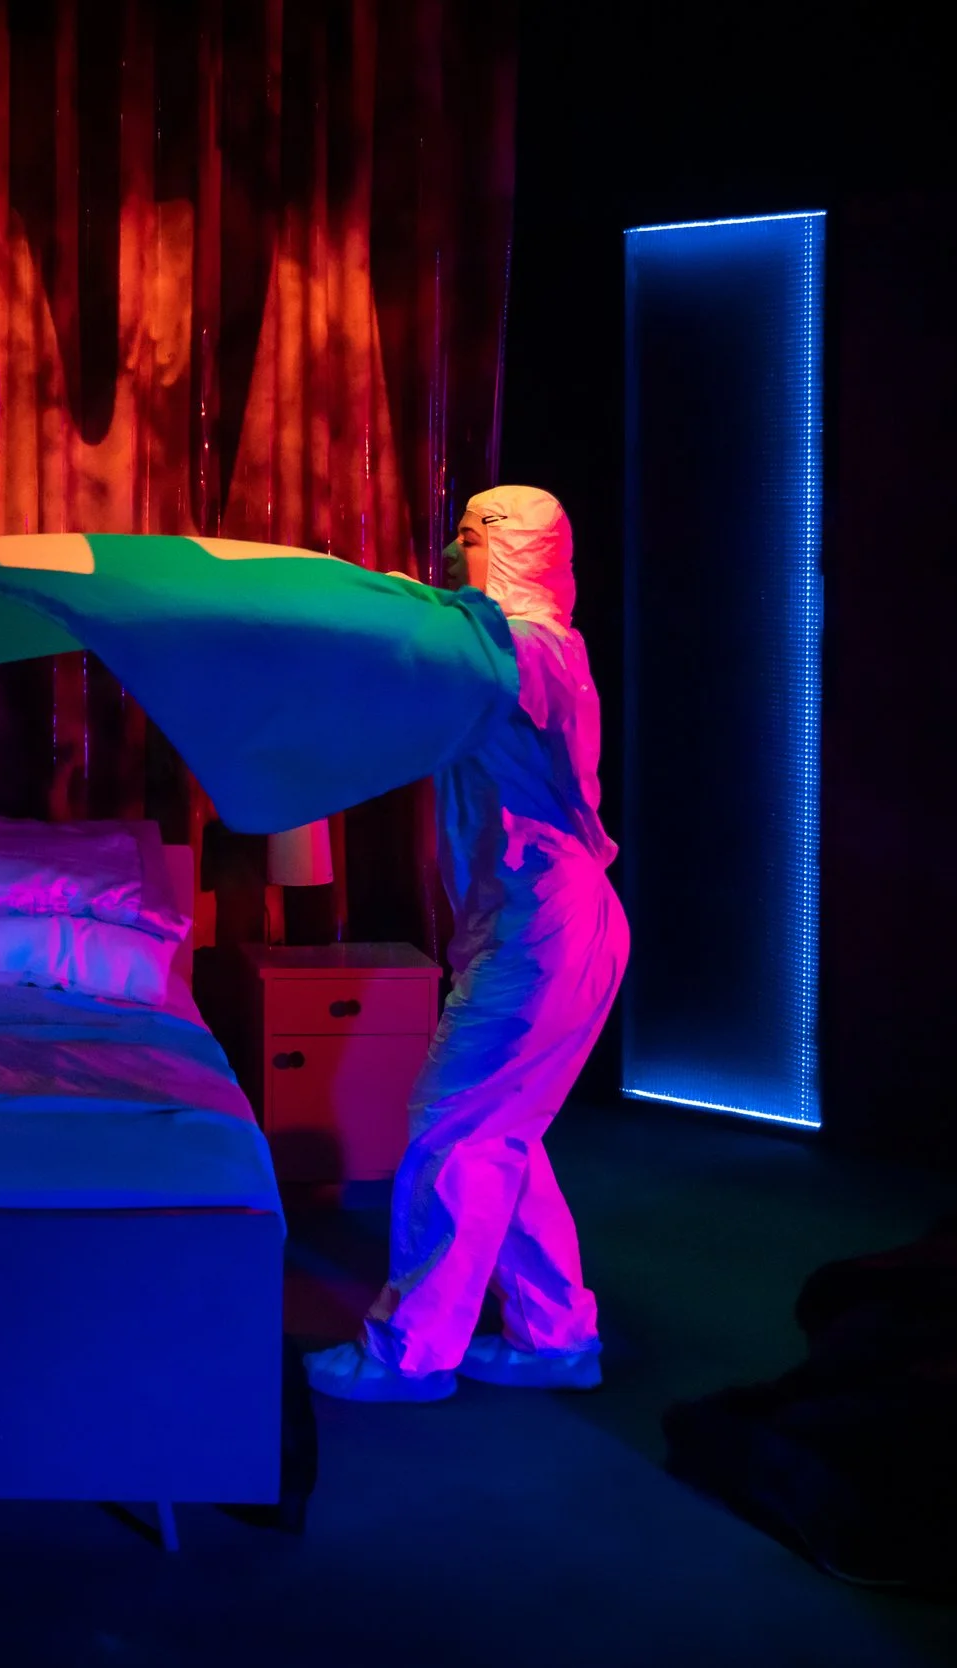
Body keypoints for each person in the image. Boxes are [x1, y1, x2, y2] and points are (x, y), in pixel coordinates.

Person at [306, 487, 628, 1402]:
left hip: (545, 933)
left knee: (454, 1131)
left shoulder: (530, 651)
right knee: (495, 1132)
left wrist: (358, 601)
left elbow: (467, 653)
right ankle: (555, 1335)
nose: (449, 552)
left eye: (468, 536)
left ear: (513, 550)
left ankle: (408, 1352)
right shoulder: (509, 654)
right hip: (540, 928)